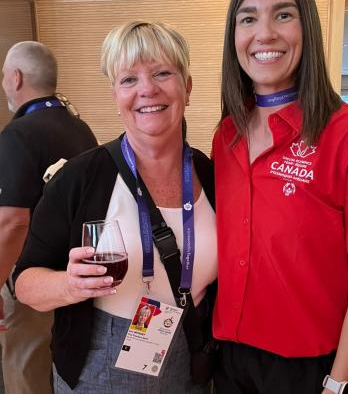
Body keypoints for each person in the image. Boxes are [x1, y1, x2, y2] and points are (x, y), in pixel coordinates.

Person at [211, 0, 348, 394]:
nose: (264, 33)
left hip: (314, 369)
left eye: (283, 14)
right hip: (230, 359)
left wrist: (340, 385)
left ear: (308, 28)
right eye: (248, 18)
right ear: (234, 36)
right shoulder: (227, 135)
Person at [14, 21, 217, 393]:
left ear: (187, 87)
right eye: (128, 79)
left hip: (191, 353)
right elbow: (24, 282)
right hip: (99, 361)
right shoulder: (79, 178)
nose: (147, 89)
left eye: (162, 73)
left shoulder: (211, 174)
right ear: (115, 94)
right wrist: (68, 285)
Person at [0, 41, 98, 394]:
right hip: (74, 275)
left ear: (16, 77)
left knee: (25, 365)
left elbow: (13, 221)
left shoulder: (18, 134)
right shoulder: (79, 127)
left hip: (32, 278)